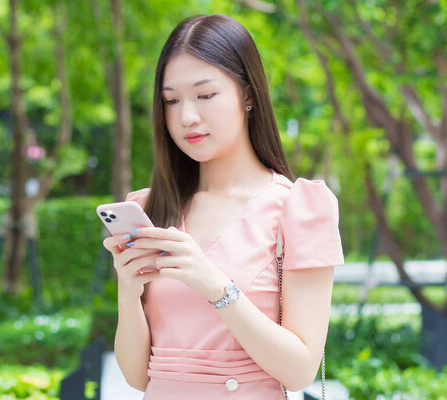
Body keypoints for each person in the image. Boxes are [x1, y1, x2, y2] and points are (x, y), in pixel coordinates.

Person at [102, 14, 344, 399]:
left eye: (205, 95)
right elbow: (137, 376)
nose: (187, 117)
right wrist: (128, 291)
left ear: (248, 95)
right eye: (171, 100)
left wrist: (214, 284)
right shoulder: (149, 208)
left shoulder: (298, 208)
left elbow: (299, 371)